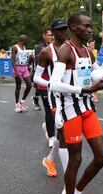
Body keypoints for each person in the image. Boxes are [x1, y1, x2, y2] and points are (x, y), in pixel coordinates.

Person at [50, 13, 103, 194]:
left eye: (91, 26)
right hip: (71, 111)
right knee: (76, 160)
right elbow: (54, 84)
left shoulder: (87, 51)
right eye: (86, 26)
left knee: (101, 157)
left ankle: (76, 192)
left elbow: (96, 72)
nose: (90, 30)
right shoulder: (66, 50)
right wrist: (84, 89)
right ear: (74, 27)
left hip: (88, 108)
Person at [34, 19, 69, 184]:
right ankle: (69, 175)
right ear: (52, 33)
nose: (63, 32)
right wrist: (50, 84)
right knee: (64, 132)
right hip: (55, 97)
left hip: (71, 96)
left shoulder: (72, 48)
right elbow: (36, 77)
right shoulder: (46, 52)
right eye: (59, 30)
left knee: (64, 134)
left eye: (65, 29)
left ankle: (49, 159)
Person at [32, 27, 54, 111]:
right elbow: (40, 64)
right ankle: (49, 123)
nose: (52, 37)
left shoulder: (58, 46)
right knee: (48, 108)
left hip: (56, 79)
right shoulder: (39, 48)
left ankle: (50, 123)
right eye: (49, 35)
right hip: (44, 78)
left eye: (53, 35)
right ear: (44, 36)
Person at [11, 35, 33, 112]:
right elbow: (13, 60)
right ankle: (17, 105)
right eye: (26, 40)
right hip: (17, 68)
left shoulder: (24, 47)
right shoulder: (15, 47)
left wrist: (30, 60)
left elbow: (24, 59)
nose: (27, 41)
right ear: (23, 39)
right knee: (18, 86)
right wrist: (16, 71)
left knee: (29, 85)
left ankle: (22, 101)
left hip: (24, 67)